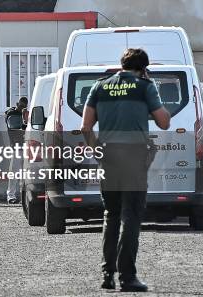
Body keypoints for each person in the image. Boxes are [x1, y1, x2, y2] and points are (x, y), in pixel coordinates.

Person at [81, 48, 170, 292]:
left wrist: (98, 152)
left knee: (111, 214)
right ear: (143, 68)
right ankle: (127, 277)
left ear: (122, 64)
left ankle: (108, 274)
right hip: (134, 156)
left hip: (108, 155)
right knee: (131, 214)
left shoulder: (99, 87)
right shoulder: (145, 86)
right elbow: (164, 121)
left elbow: (86, 127)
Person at [5, 97, 28, 204]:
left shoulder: (26, 115)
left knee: (25, 173)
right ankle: (11, 195)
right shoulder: (12, 114)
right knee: (14, 172)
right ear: (17, 104)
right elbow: (15, 126)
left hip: (26, 147)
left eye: (24, 106)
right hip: (16, 147)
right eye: (20, 106)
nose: (21, 108)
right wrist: (24, 117)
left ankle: (23, 196)